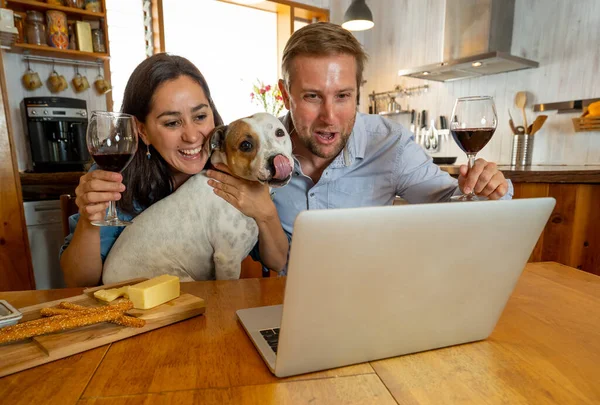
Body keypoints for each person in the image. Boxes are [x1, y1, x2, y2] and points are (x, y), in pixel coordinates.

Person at [206, 22, 513, 275]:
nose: (329, 117)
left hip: (371, 301)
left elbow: (451, 202)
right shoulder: (252, 158)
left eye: (342, 96)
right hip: (285, 302)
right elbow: (277, 261)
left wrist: (488, 190)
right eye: (313, 96)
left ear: (357, 92)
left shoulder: (390, 144)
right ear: (286, 96)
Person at [60, 54, 288, 287]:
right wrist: (89, 221)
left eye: (200, 116)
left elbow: (277, 262)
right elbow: (79, 283)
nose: (191, 136)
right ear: (142, 131)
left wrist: (266, 213)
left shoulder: (238, 164)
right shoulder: (116, 176)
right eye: (172, 122)